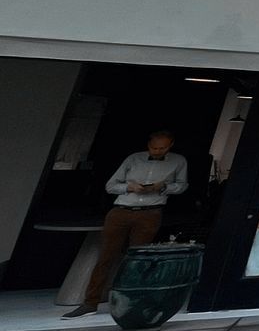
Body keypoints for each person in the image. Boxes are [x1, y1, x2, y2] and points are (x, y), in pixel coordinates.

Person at [64, 130, 187, 318]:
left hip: (150, 211)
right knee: (106, 256)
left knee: (138, 259)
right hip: (121, 210)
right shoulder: (134, 159)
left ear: (170, 146)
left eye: (162, 148)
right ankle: (90, 302)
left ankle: (130, 301)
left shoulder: (178, 161)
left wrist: (162, 187)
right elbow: (111, 185)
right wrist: (129, 187)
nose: (157, 151)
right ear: (148, 145)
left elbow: (181, 185)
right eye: (154, 147)